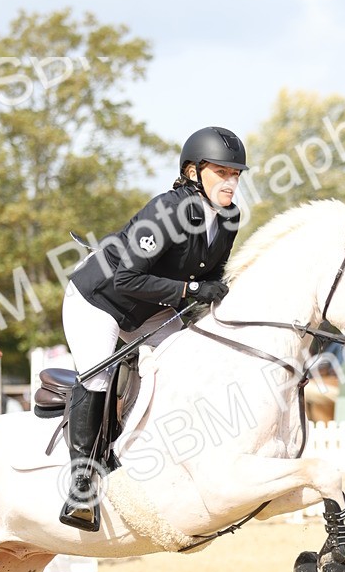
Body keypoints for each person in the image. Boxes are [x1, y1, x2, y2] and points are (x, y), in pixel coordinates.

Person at [59, 125, 248, 530]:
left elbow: (211, 276)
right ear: (193, 172)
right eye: (222, 173)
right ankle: (81, 484)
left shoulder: (229, 218)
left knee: (189, 367)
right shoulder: (167, 211)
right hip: (99, 301)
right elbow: (127, 279)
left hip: (153, 309)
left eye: (235, 174)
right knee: (98, 375)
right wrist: (192, 289)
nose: (231, 182)